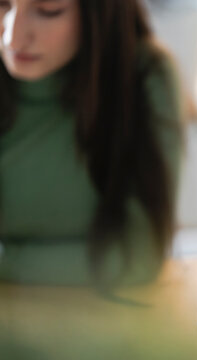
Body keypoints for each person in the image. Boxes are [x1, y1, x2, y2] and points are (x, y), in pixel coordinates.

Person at [0, 0, 182, 287]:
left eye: (49, 11)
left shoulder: (144, 74)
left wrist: (8, 262)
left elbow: (139, 256)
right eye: (1, 4)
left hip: (106, 317)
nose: (12, 38)